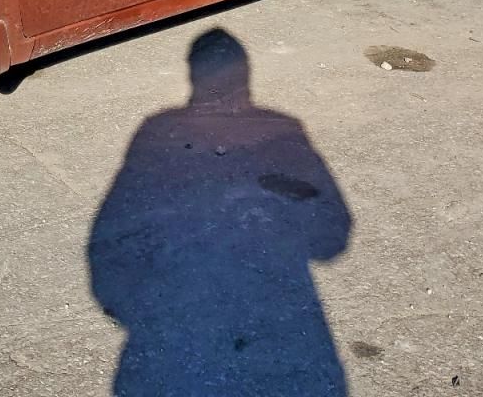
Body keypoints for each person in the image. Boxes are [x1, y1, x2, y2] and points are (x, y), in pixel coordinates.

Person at [89, 28, 352, 396]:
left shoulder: (159, 130)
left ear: (192, 75)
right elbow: (332, 238)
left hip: (178, 346)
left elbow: (112, 238)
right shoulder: (282, 131)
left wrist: (134, 312)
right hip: (275, 341)